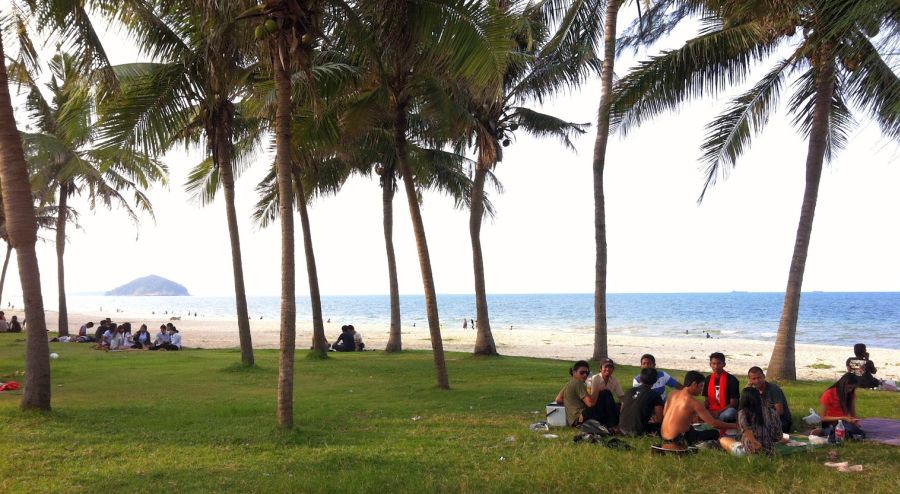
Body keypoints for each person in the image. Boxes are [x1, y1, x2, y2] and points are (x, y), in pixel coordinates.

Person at [661, 371, 739, 446]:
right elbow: (713, 423)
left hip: (663, 436)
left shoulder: (672, 394)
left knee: (692, 428)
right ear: (694, 384)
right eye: (701, 386)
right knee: (715, 433)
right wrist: (736, 426)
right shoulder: (694, 402)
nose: (702, 390)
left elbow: (665, 413)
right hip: (679, 439)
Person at [554, 360, 619, 429]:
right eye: (582, 373)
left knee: (614, 405)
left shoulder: (569, 383)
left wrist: (572, 403)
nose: (585, 375)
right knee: (606, 393)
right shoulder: (578, 383)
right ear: (574, 373)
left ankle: (611, 423)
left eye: (587, 373)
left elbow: (558, 399)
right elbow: (590, 404)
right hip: (580, 419)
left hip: (574, 421)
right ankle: (612, 425)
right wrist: (597, 389)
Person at [818, 373, 866, 441]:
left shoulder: (850, 394)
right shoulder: (828, 394)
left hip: (844, 423)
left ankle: (839, 434)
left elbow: (853, 413)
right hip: (830, 423)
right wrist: (843, 417)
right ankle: (825, 432)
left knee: (859, 433)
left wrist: (854, 421)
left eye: (852, 388)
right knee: (846, 432)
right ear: (842, 385)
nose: (850, 390)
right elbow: (822, 418)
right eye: (849, 387)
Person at [737, 387, 784, 455]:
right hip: (769, 449)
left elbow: (745, 430)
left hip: (750, 449)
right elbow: (778, 435)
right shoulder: (771, 412)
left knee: (724, 440)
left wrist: (754, 442)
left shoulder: (743, 413)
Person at [619, 368, 664, 436]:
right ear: (655, 380)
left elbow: (621, 410)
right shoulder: (655, 395)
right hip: (638, 431)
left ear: (640, 379)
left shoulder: (629, 391)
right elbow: (660, 419)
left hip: (621, 428)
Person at [747, 366, 792, 433]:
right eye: (754, 379)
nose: (757, 381)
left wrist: (764, 422)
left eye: (759, 378)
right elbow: (744, 408)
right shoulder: (752, 391)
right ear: (750, 380)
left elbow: (779, 411)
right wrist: (747, 389)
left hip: (780, 420)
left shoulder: (773, 389)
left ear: (764, 376)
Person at [702, 352, 740, 422]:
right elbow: (706, 400)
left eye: (719, 363)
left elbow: (733, 404)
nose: (716, 366)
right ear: (710, 364)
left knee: (728, 414)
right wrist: (705, 411)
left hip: (726, 410)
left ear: (724, 364)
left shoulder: (732, 380)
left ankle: (716, 422)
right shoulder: (708, 379)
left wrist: (718, 412)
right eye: (714, 363)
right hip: (712, 409)